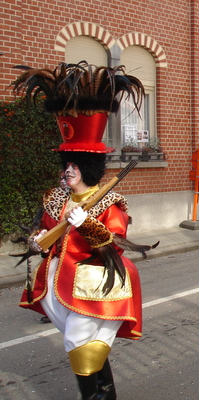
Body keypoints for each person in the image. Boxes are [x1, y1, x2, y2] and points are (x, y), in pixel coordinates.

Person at [13, 62, 156, 400]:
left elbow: (113, 241)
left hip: (96, 283)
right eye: (66, 166)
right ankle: (106, 393)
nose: (68, 173)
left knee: (78, 342)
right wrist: (35, 241)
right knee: (84, 344)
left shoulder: (110, 202)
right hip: (57, 283)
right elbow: (42, 233)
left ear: (88, 168)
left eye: (74, 167)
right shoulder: (54, 199)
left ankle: (93, 397)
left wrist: (86, 223)